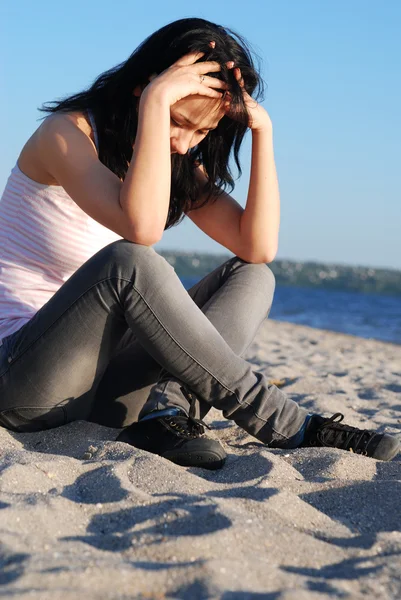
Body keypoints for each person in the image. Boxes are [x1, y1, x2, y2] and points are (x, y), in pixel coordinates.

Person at [0, 18, 398, 470]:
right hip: (23, 379)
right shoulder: (64, 136)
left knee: (252, 275)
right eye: (177, 120)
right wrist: (157, 100)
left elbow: (258, 246)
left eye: (202, 133)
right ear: (145, 89)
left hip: (102, 390)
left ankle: (167, 411)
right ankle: (290, 424)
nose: (184, 144)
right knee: (129, 262)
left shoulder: (174, 160)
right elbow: (141, 229)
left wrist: (263, 132)